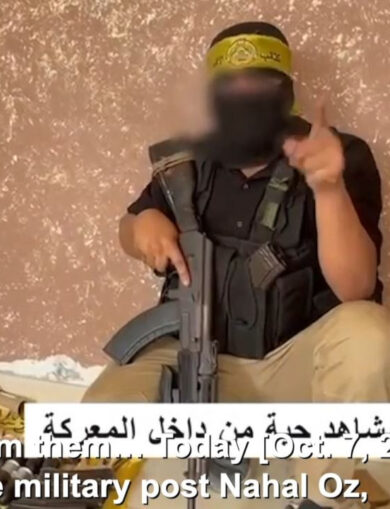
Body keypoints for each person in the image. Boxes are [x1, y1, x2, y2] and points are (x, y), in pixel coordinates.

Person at [83, 21, 390, 509]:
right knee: (93, 425)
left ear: (285, 91)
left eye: (259, 84)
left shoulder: (338, 154)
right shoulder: (185, 162)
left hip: (296, 371)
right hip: (195, 355)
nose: (245, 98)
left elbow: (355, 287)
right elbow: (130, 225)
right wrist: (139, 226)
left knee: (368, 331)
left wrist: (328, 188)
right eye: (231, 87)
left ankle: (324, 491)